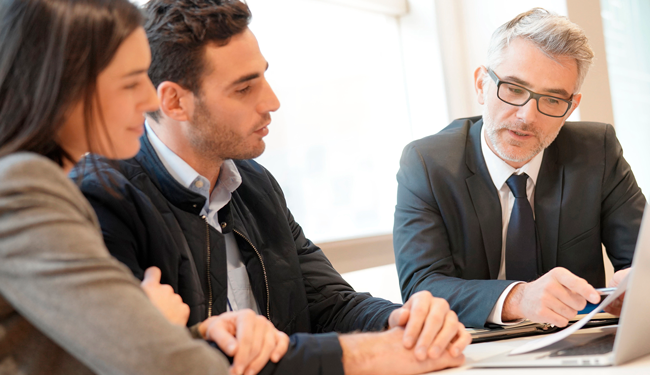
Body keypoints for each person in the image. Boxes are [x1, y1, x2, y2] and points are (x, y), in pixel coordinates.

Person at [74, 0, 471, 374]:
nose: (273, 101)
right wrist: (367, 356)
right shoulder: (102, 198)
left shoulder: (254, 182)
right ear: (175, 102)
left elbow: (330, 304)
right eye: (244, 88)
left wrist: (402, 322)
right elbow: (173, 359)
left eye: (264, 76)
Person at [0, 0, 295, 374]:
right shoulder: (25, 186)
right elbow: (159, 364)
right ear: (63, 87)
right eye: (131, 80)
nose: (148, 100)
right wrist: (157, 327)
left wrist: (189, 333)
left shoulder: (255, 182)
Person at [393, 8, 644, 329]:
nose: (527, 116)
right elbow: (421, 287)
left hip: (579, 340)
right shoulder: (427, 163)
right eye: (513, 89)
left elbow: (647, 260)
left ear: (571, 107)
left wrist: (638, 282)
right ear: (482, 84)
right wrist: (518, 298)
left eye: (552, 100)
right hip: (475, 349)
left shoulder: (598, 151)